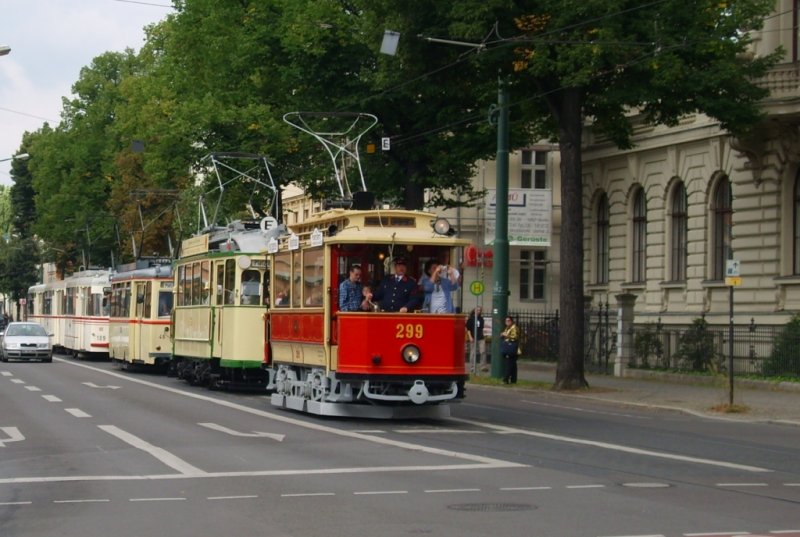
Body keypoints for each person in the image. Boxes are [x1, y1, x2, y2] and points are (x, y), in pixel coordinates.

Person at [466, 306, 487, 372]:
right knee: (473, 352)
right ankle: (472, 367)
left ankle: (483, 366)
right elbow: (468, 329)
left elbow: (481, 328)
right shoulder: (471, 319)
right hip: (473, 337)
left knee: (483, 351)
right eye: (477, 310)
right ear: (474, 310)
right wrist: (470, 337)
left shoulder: (481, 319)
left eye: (480, 310)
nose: (478, 311)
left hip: (480, 337)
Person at [500, 315, 520, 384]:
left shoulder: (514, 328)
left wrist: (506, 335)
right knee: (513, 365)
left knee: (509, 364)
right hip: (510, 348)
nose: (507, 322)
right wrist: (502, 335)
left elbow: (515, 337)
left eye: (508, 321)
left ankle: (505, 379)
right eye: (506, 321)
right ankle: (513, 380)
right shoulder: (507, 328)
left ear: (511, 321)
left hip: (512, 348)